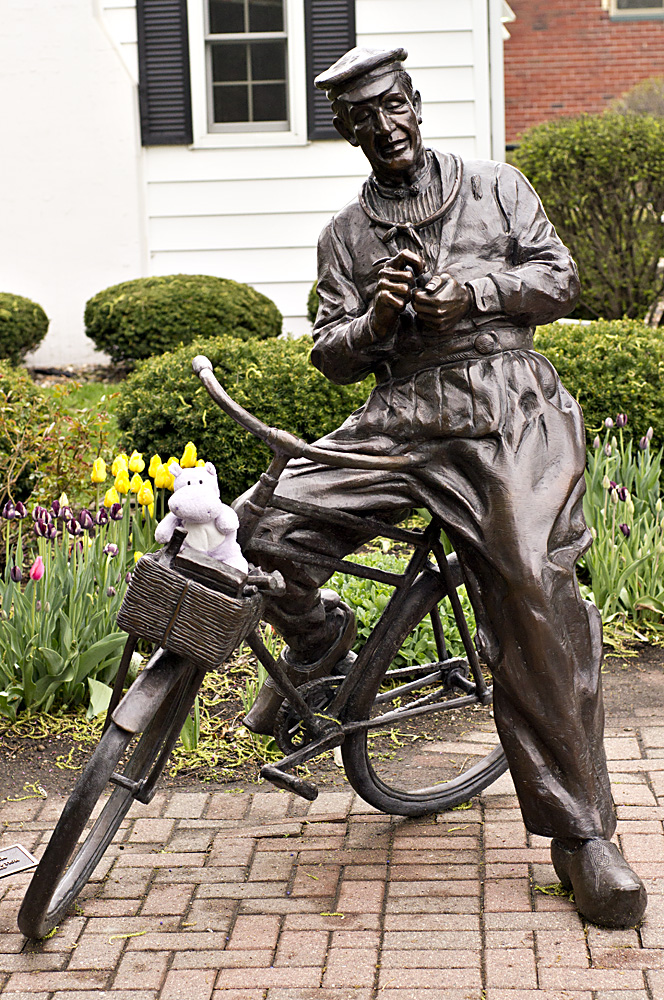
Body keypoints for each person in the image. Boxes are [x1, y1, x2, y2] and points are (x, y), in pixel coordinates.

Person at [238, 46, 646, 928]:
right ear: (347, 132)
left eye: (394, 107)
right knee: (263, 527)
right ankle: (320, 645)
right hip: (399, 416)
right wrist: (375, 323)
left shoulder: (497, 187)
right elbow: (330, 354)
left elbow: (560, 279)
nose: (385, 127)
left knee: (533, 591)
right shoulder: (345, 235)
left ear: (415, 103)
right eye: (363, 120)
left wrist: (477, 294)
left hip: (507, 407)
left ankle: (585, 837)